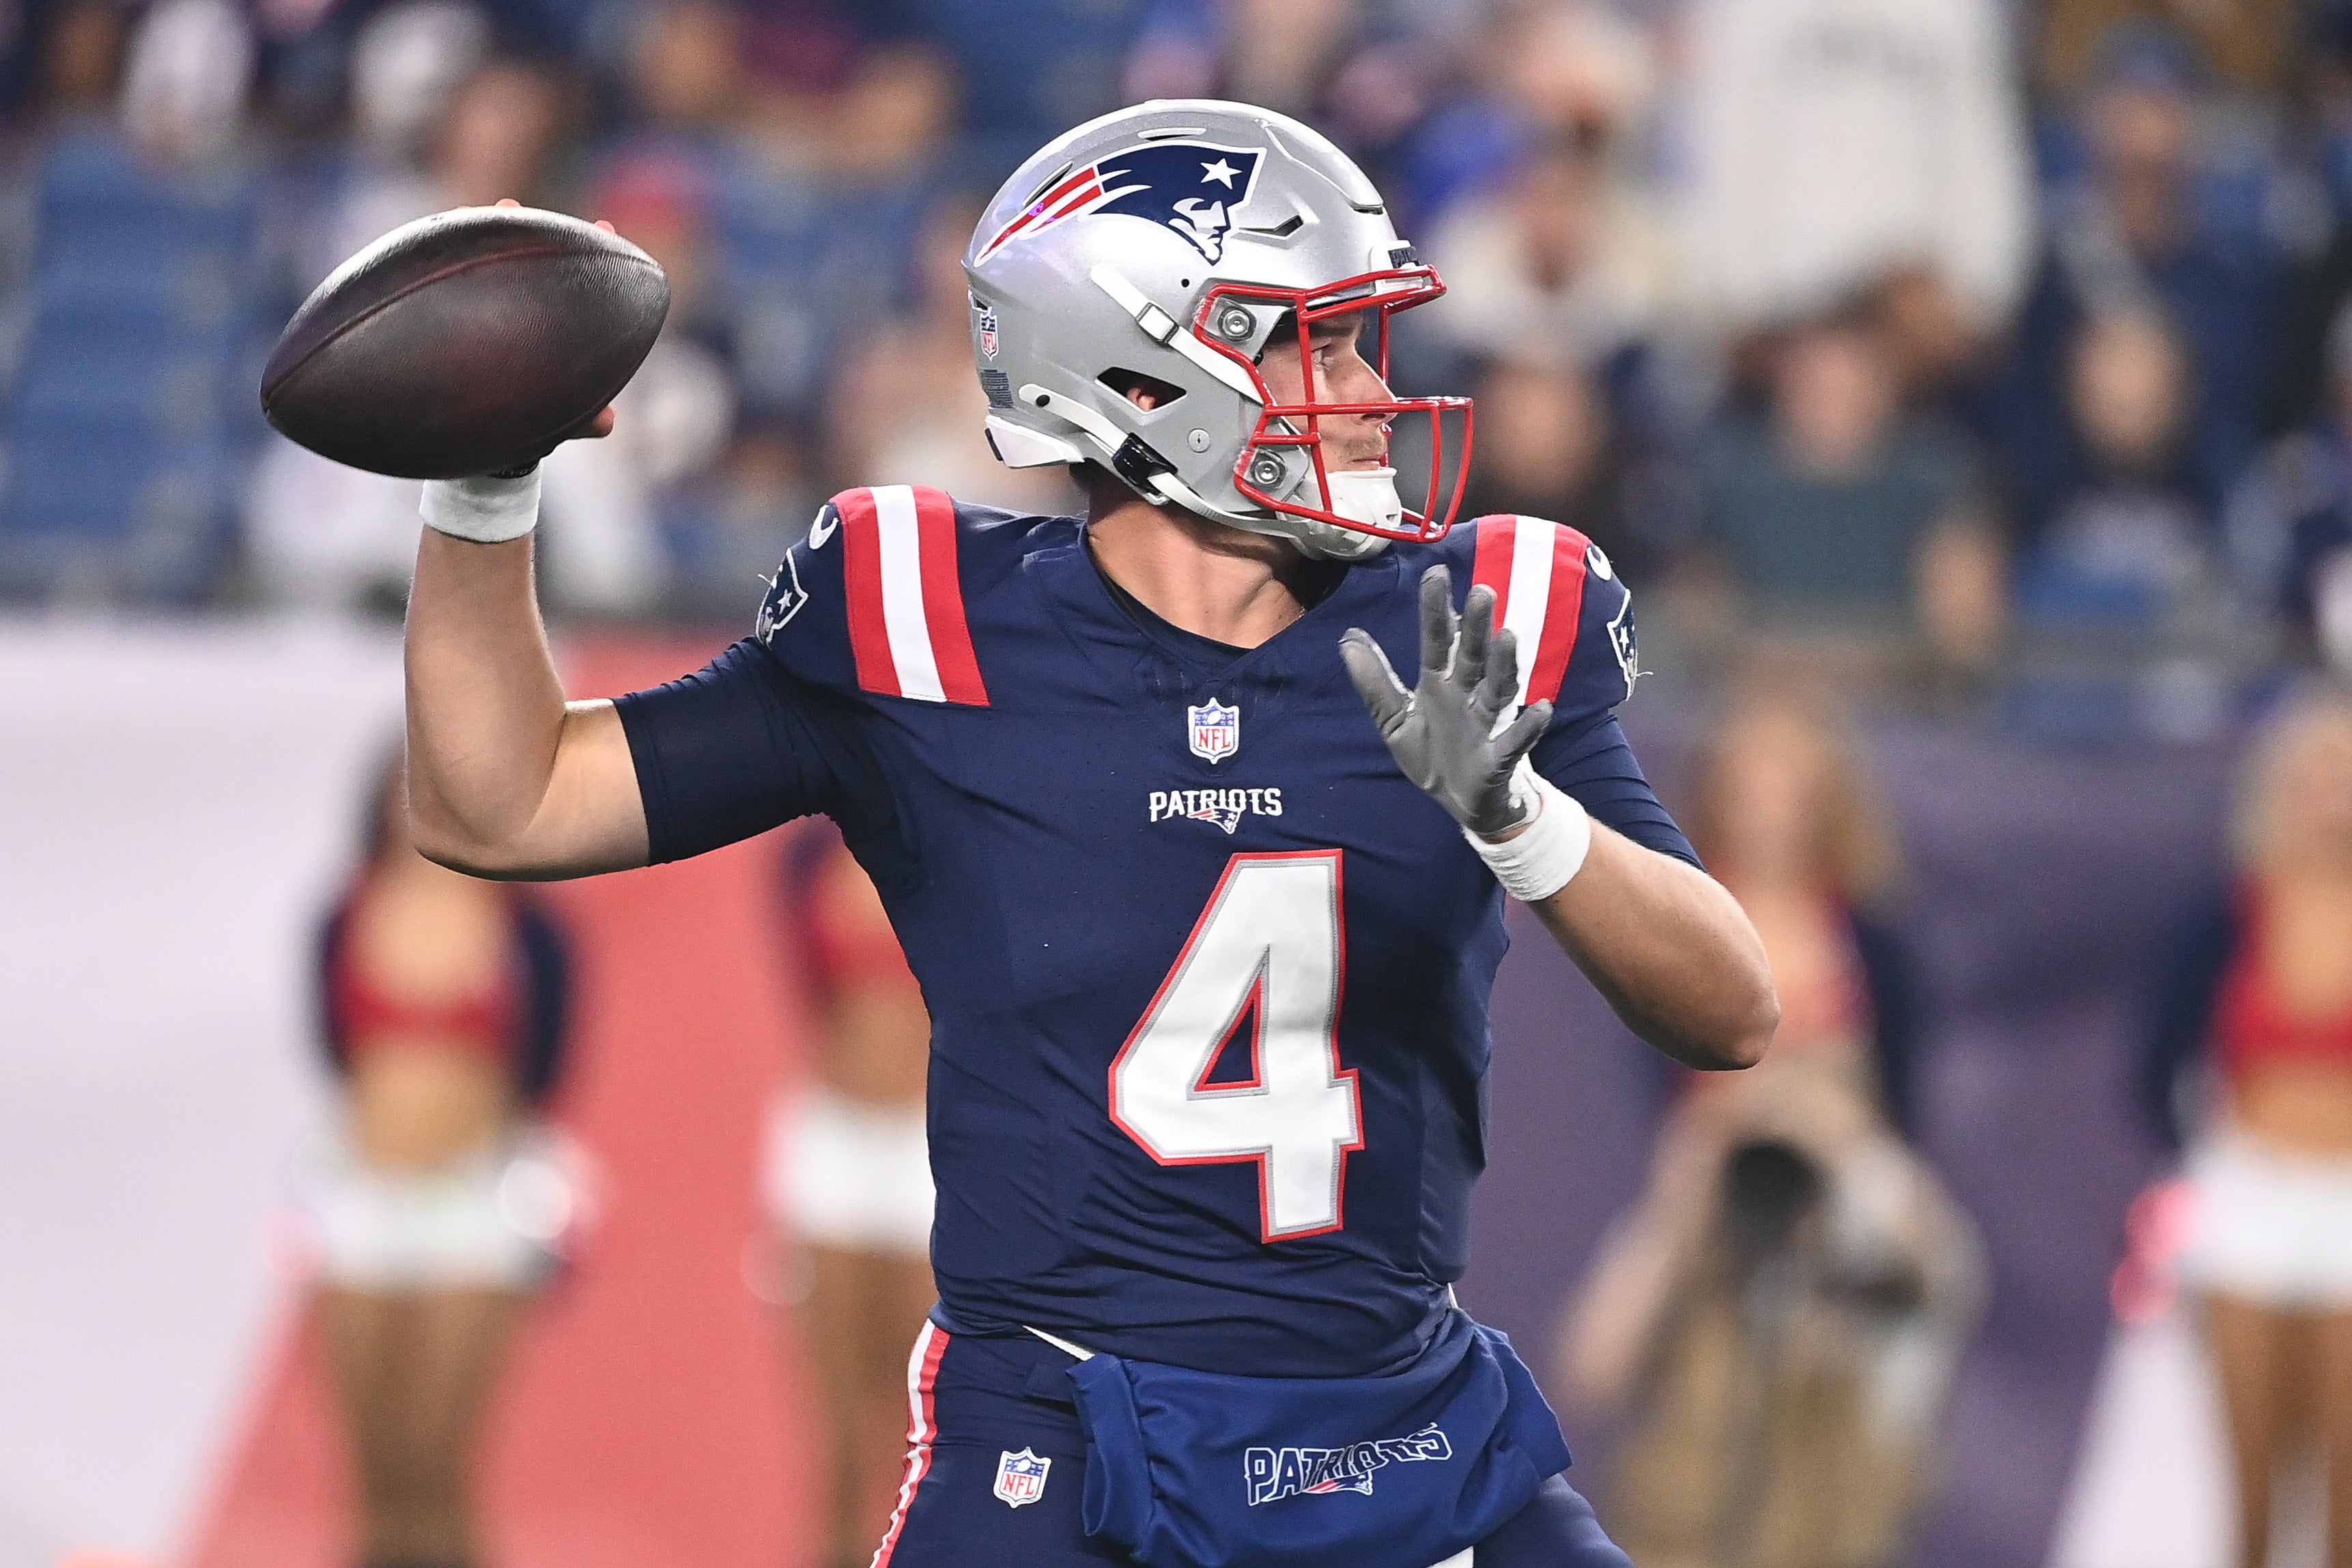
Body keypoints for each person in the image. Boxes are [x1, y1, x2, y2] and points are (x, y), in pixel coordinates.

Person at [395, 102, 1775, 1568]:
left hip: (1400, 1432)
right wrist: (486, 486)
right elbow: (506, 798)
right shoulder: (924, 619)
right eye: (1324, 343)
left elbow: (1731, 1007)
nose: (1376, 393)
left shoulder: (1467, 626)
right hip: (1060, 1437)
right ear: (1147, 364)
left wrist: (1519, 815)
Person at [1561, 691, 1983, 1568]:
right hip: (1715, 1174)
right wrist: (1718, 1140)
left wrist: (1829, 1124)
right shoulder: (1675, 910)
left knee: (1943, 1272)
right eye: (1753, 779)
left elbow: (1901, 1094)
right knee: (1607, 1349)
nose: (1772, 802)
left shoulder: (1866, 934)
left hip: (1843, 1181)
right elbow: (1657, 1070)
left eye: (1792, 779)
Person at [291, 751, 581, 1568]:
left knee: (436, 1455)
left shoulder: (526, 928)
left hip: (473, 1207)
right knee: (373, 1466)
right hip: (358, 1203)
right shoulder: (343, 917)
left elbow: (546, 1062)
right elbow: (334, 1049)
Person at [2140, 687, 2352, 1568]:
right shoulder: (2224, 916)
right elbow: (2154, 1059)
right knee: (2252, 1496)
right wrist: (2203, 1160)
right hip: (2247, 1204)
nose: (2331, 798)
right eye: (2314, 778)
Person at [767, 823, 938, 1568]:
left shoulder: (959, 838)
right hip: (831, 1148)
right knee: (836, 1438)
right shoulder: (804, 859)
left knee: (926, 1436)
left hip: (930, 1155)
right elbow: (809, 984)